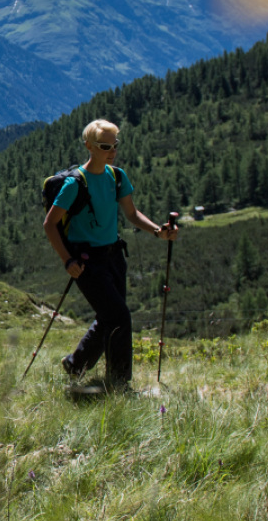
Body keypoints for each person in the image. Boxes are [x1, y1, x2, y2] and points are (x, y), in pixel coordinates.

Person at [42, 118, 177, 390]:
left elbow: (132, 214)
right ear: (89, 146)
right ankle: (118, 383)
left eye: (115, 144)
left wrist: (158, 232)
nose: (112, 151)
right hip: (85, 262)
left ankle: (75, 364)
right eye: (105, 146)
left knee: (110, 316)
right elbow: (50, 224)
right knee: (118, 317)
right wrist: (67, 260)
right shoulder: (74, 184)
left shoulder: (117, 177)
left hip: (114, 257)